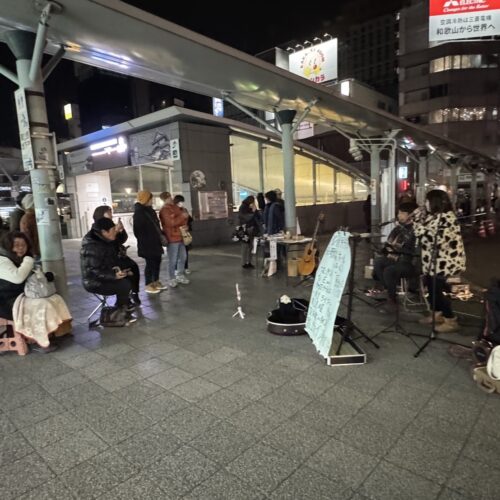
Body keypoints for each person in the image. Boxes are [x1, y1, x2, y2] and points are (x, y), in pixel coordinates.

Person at [0, 231, 70, 351]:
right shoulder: (2, 260)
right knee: (42, 304)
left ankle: (58, 332)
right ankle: (39, 340)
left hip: (22, 295)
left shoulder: (20, 258)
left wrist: (45, 276)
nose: (21, 248)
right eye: (16, 245)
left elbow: (30, 276)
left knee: (55, 298)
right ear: (8, 246)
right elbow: (18, 277)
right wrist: (28, 260)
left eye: (23, 245)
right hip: (6, 301)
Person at [413, 189, 466, 333]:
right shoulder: (435, 217)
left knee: (437, 291)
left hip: (445, 263)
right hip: (433, 263)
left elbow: (431, 239)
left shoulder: (447, 218)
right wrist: (420, 219)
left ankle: (451, 320)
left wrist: (417, 223)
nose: (425, 204)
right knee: (431, 288)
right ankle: (437, 314)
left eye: (427, 201)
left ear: (434, 202)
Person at [81, 217, 137, 321]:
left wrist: (120, 271)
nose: (115, 232)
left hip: (104, 275)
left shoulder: (105, 239)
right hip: (94, 282)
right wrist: (113, 275)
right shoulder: (92, 247)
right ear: (104, 232)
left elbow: (111, 258)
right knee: (124, 284)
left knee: (131, 273)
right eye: (113, 230)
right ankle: (120, 312)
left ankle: (123, 306)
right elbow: (93, 271)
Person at [372, 202, 418, 311]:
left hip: (409, 263)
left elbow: (413, 250)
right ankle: (389, 291)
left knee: (389, 271)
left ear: (410, 215)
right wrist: (384, 249)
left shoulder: (416, 229)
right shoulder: (399, 228)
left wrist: (398, 248)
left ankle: (391, 300)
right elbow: (390, 243)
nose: (399, 215)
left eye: (402, 213)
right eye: (398, 213)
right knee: (378, 262)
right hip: (396, 259)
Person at [93, 206, 141, 304]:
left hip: (117, 257)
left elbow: (121, 240)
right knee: (125, 273)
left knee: (133, 267)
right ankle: (124, 300)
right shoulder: (97, 228)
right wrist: (115, 231)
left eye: (111, 212)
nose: (111, 215)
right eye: (109, 213)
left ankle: (134, 293)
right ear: (102, 215)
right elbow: (106, 243)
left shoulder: (111, 225)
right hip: (107, 260)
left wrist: (121, 230)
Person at [132, 191, 165, 294]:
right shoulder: (139, 213)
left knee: (157, 262)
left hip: (155, 242)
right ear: (145, 199)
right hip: (147, 244)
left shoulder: (150, 210)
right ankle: (148, 284)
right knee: (150, 264)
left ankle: (156, 281)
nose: (152, 200)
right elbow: (137, 231)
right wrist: (147, 239)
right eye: (150, 199)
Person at [159, 192, 190, 288]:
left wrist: (186, 225)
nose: (171, 198)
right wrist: (182, 217)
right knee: (172, 259)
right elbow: (170, 223)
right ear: (164, 199)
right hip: (172, 237)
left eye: (170, 197)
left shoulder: (175, 207)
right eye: (168, 197)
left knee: (183, 257)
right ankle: (171, 278)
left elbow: (184, 218)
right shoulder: (164, 210)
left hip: (181, 236)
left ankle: (180, 275)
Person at [173, 195, 192, 275]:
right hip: (175, 235)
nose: (181, 203)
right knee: (176, 253)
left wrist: (188, 226)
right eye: (180, 202)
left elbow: (190, 220)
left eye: (182, 202)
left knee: (185, 253)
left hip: (184, 234)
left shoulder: (184, 210)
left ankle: (185, 267)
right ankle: (176, 269)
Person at [238, 195, 258, 269]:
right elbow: (246, 218)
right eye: (253, 201)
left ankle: (248, 262)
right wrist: (253, 212)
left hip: (250, 229)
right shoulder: (243, 207)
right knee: (245, 246)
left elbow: (256, 216)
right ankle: (244, 263)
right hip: (245, 229)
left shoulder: (248, 207)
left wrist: (254, 211)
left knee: (250, 246)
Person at [19, 194, 40, 258]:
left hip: (36, 251)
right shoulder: (27, 218)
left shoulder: (29, 217)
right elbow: (26, 237)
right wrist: (33, 252)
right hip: (35, 252)